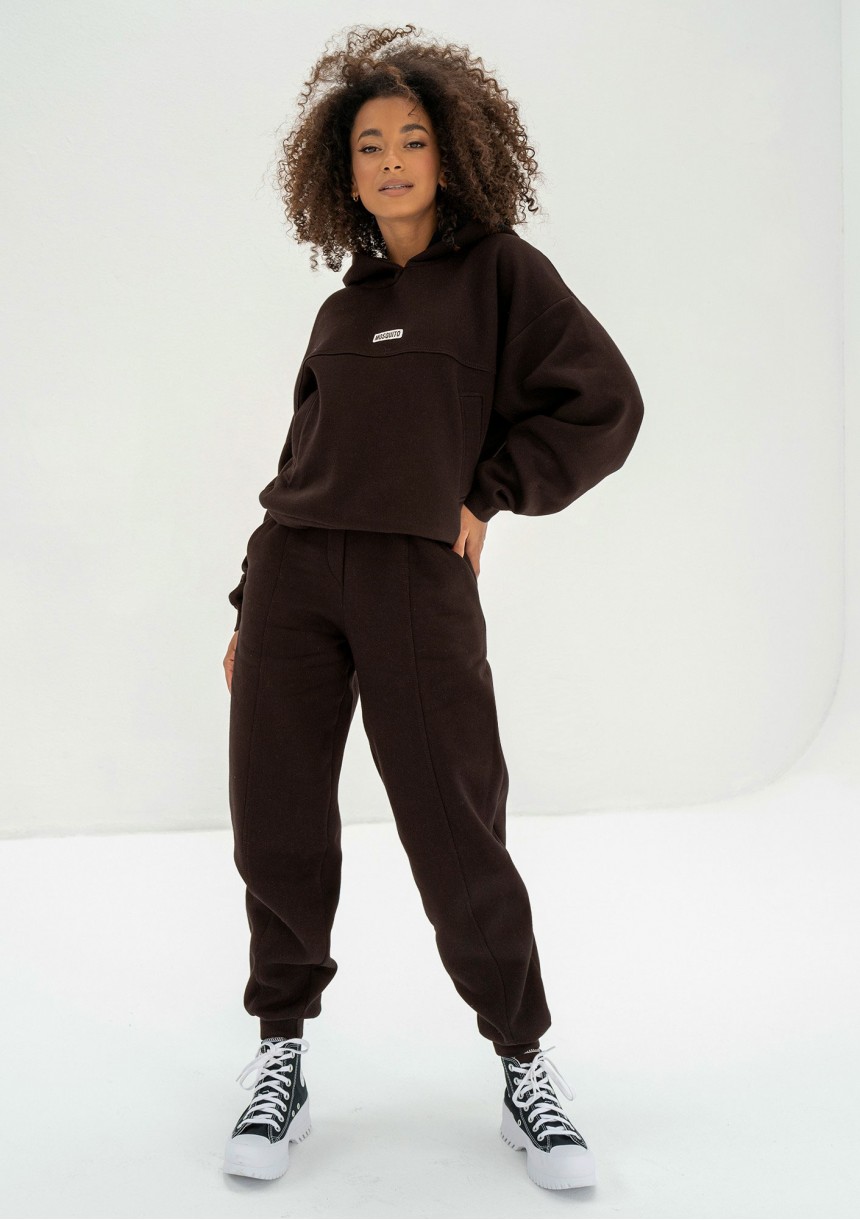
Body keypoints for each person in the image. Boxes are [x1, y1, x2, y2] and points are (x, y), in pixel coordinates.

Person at [221, 24, 644, 1192]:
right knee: (274, 819)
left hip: (415, 578)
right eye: (369, 146)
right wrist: (250, 602)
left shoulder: (501, 274)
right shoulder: (340, 312)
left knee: (455, 825)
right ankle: (279, 1051)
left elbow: (602, 402)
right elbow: (299, 464)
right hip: (294, 575)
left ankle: (523, 1061)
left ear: (449, 154)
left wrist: (488, 492)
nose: (392, 161)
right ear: (343, 173)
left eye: (411, 139)